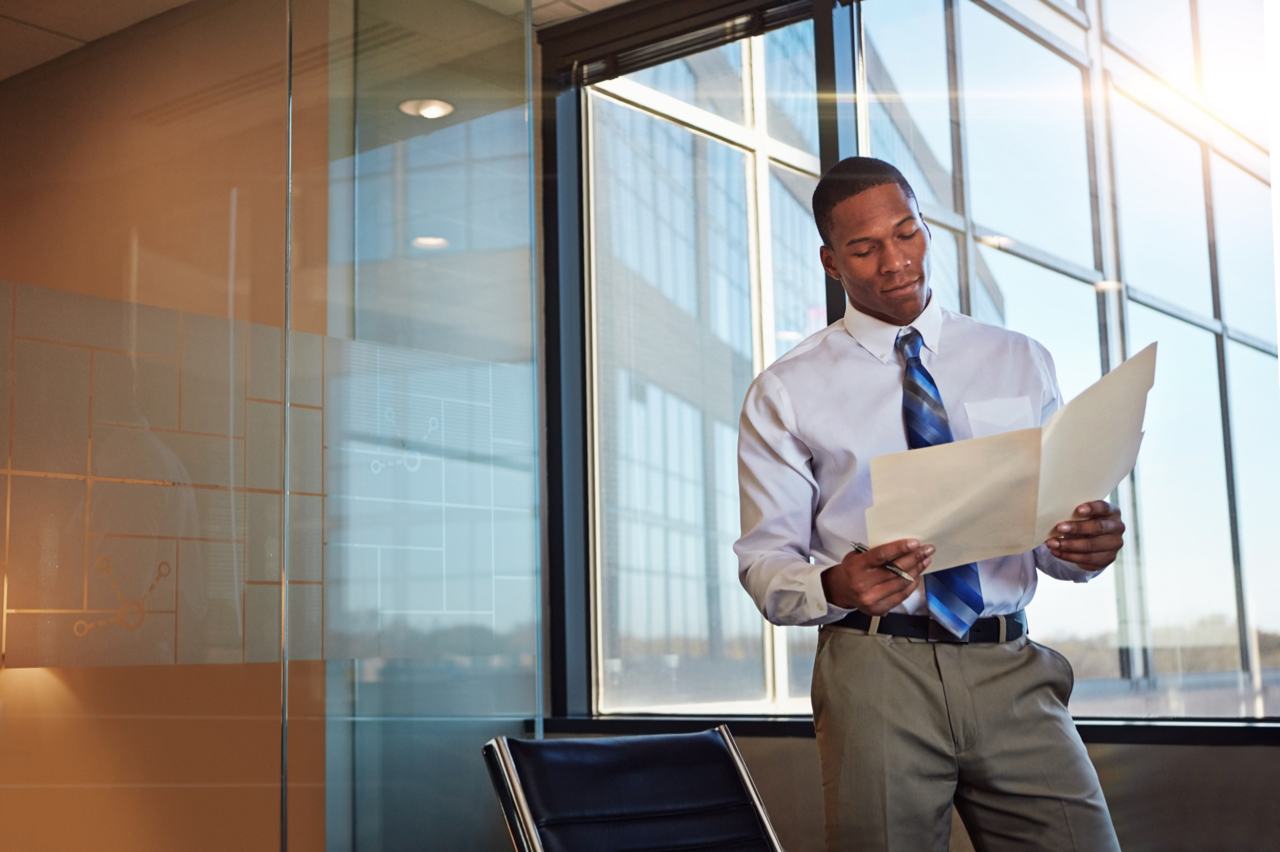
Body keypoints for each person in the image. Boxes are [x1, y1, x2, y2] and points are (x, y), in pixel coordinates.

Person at [734, 157, 1125, 851]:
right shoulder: (787, 390)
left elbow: (1048, 531)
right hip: (878, 670)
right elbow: (765, 562)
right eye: (865, 247)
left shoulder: (1019, 359)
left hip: (1010, 663)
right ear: (832, 262)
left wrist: (1079, 546)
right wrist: (834, 583)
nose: (894, 260)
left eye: (907, 233)